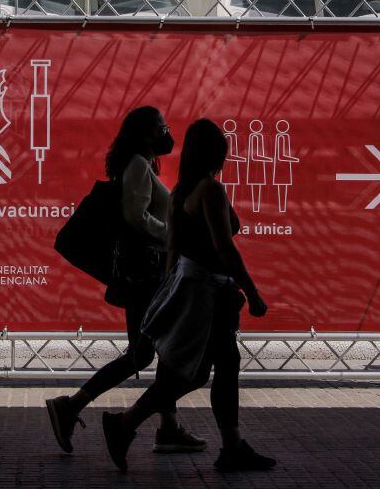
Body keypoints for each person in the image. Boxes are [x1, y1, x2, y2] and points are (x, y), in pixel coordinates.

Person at [101, 118, 275, 474]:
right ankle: (128, 426)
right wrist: (252, 291)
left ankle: (226, 445)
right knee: (214, 368)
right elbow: (225, 248)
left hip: (190, 291)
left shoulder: (181, 192)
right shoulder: (210, 190)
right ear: (218, 153)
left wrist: (170, 296)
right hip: (210, 297)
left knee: (205, 370)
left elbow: (172, 251)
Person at [46, 106, 206, 455]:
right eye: (161, 128)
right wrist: (170, 236)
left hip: (150, 276)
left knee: (156, 351)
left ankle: (168, 426)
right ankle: (71, 406)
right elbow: (136, 217)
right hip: (145, 278)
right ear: (145, 133)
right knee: (142, 354)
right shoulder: (137, 164)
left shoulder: (142, 165)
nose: (167, 134)